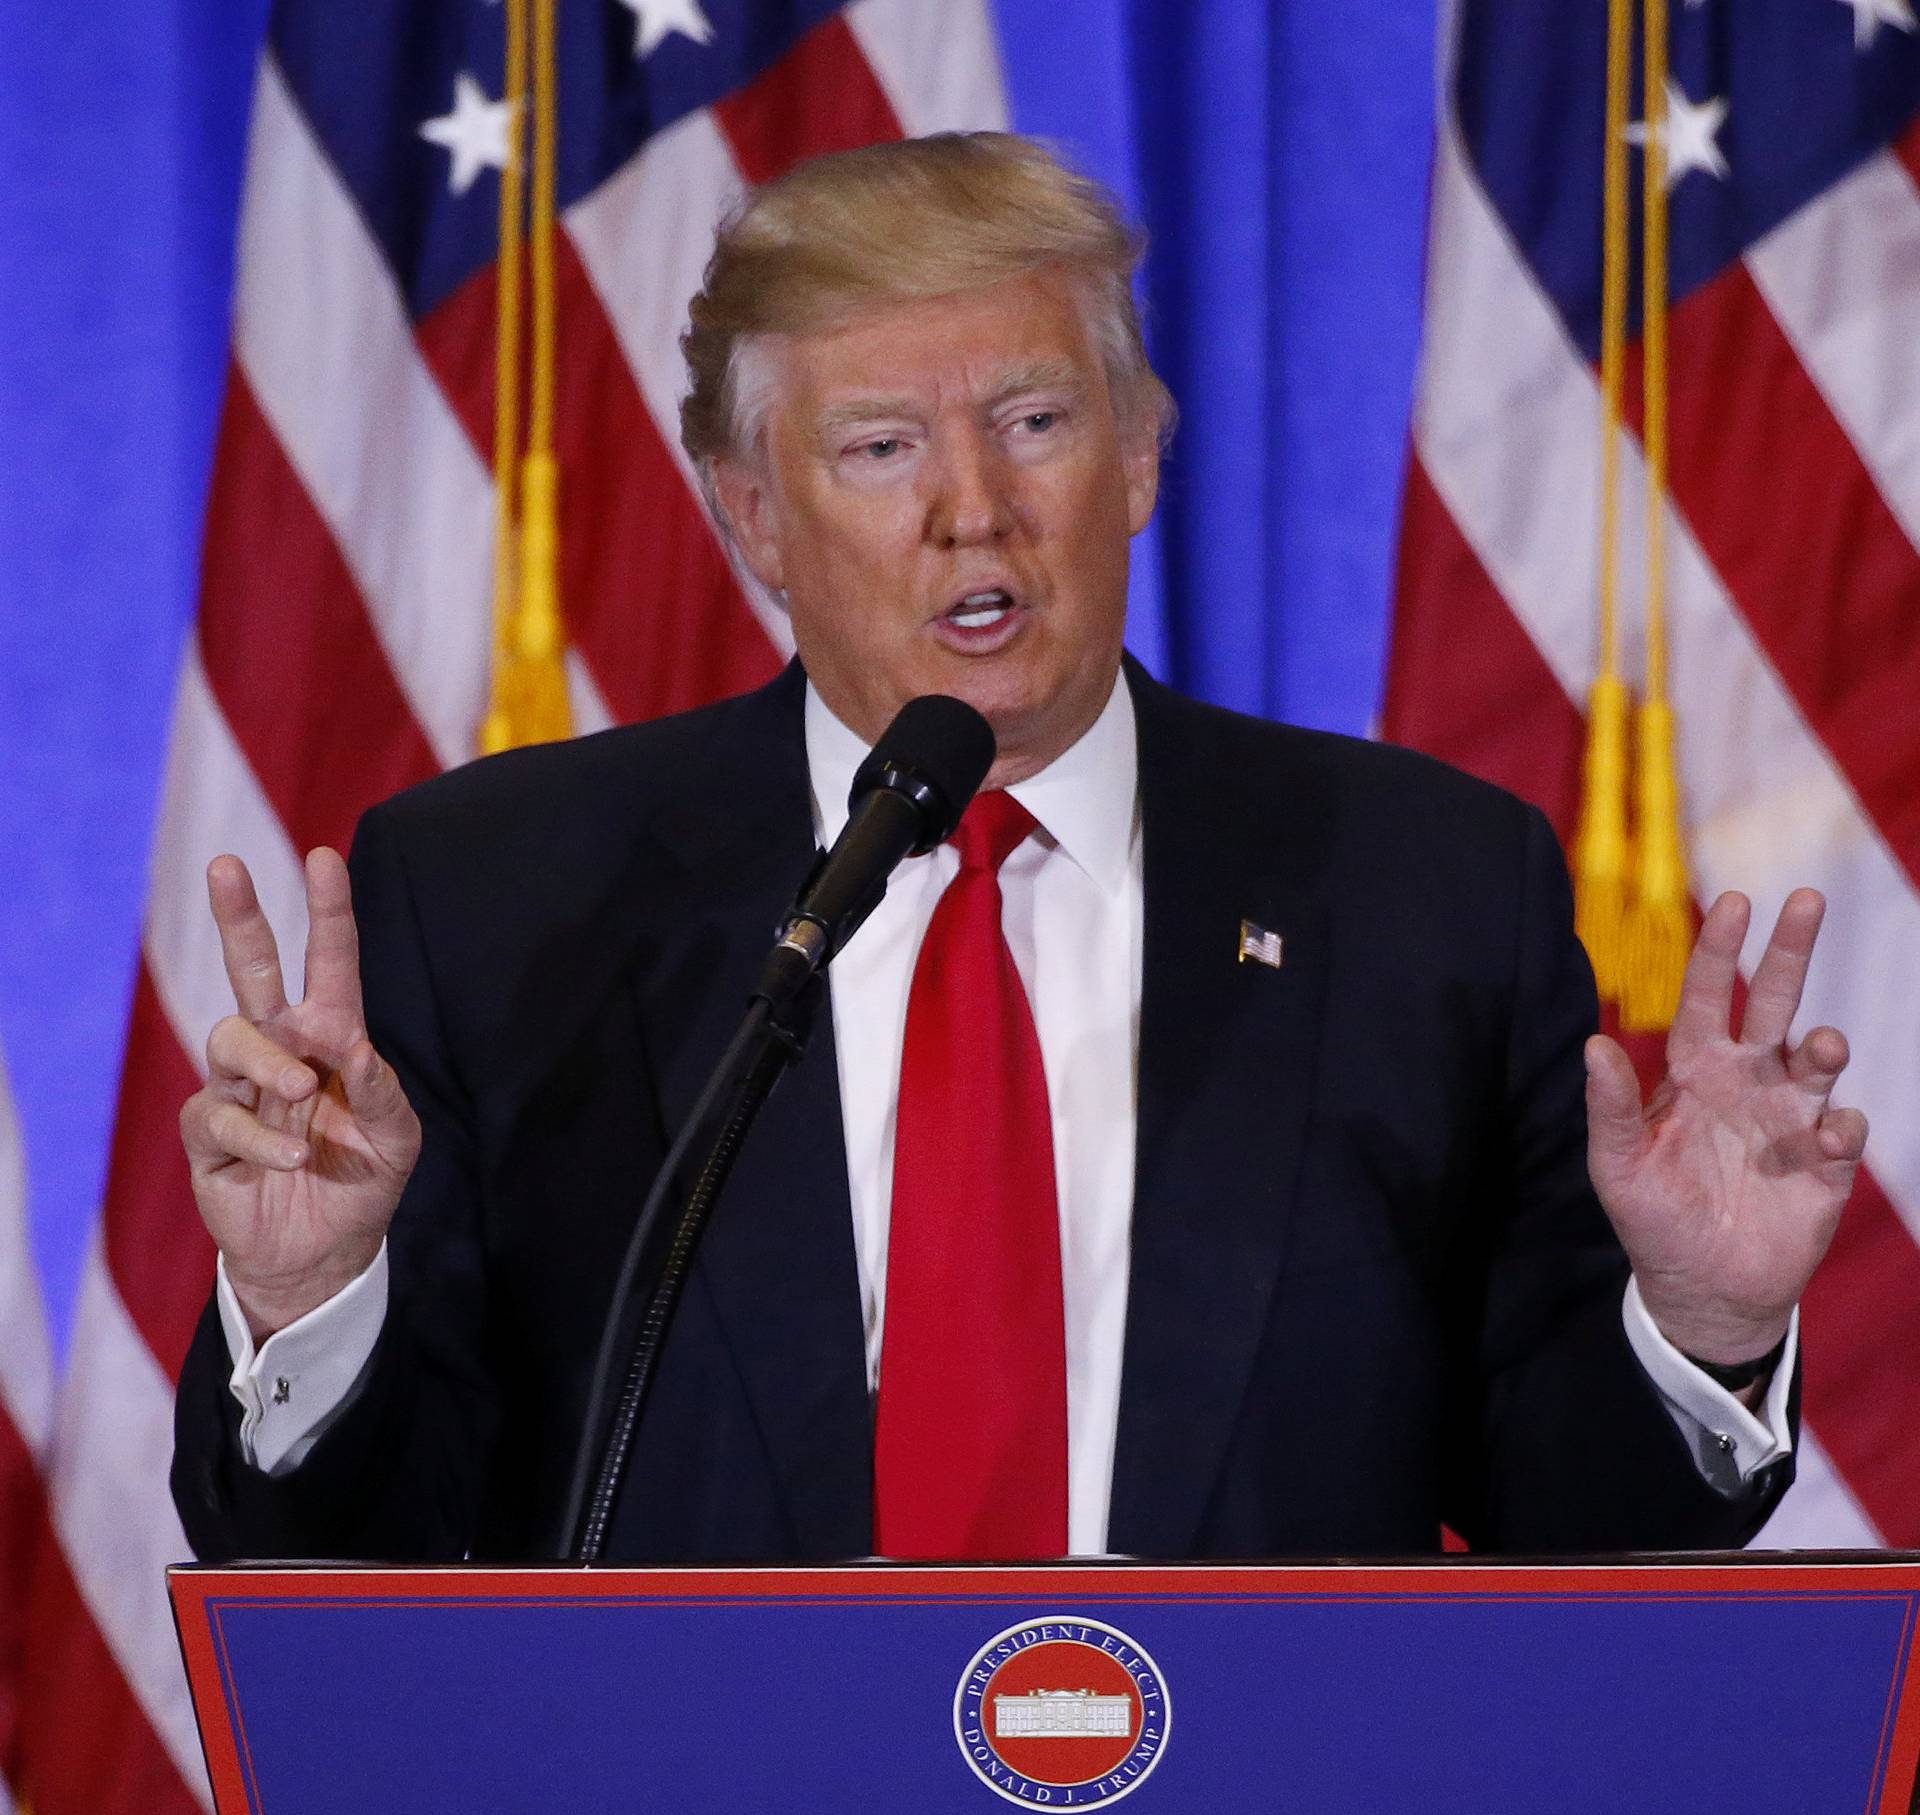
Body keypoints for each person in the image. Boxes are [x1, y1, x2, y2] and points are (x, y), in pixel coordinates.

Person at [171, 134, 1864, 1569]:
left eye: (1037, 422)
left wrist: (1704, 1330)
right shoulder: (500, 897)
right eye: (881, 447)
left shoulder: (1425, 890)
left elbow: (1577, 1533)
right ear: (751, 513)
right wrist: (311, 1299)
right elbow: (366, 1563)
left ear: (1138, 456)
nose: (970, 508)